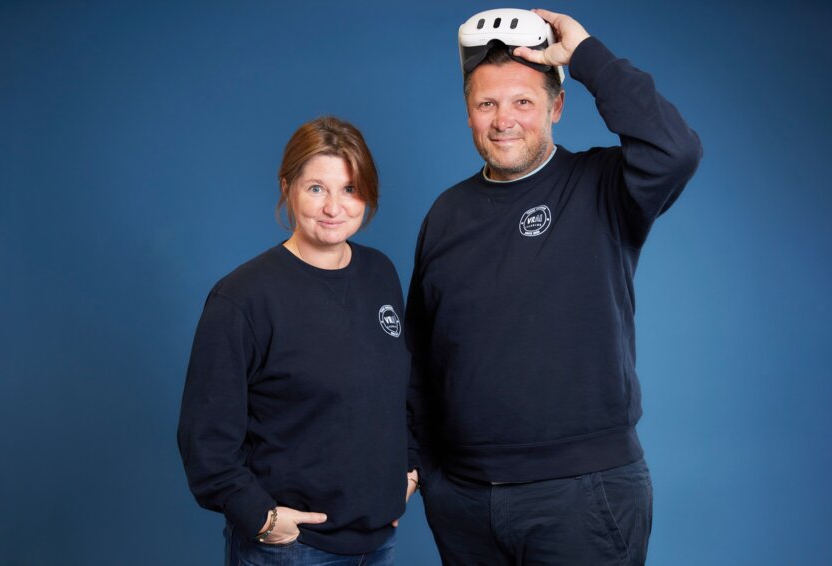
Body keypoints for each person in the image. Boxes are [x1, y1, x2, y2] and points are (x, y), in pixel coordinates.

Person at [405, 8, 703, 565]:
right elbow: (419, 353)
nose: (504, 120)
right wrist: (421, 464)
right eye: (486, 103)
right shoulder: (445, 214)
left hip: (582, 496)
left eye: (523, 102)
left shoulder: (603, 186)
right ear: (468, 111)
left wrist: (587, 53)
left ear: (557, 106)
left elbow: (676, 150)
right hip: (464, 500)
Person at [178, 116, 417, 565]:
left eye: (349, 189)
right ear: (286, 186)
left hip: (377, 542)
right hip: (294, 550)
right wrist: (263, 519)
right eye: (316, 189)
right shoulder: (242, 298)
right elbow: (205, 439)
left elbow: (402, 388)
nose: (334, 207)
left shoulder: (380, 273)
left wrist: (408, 473)